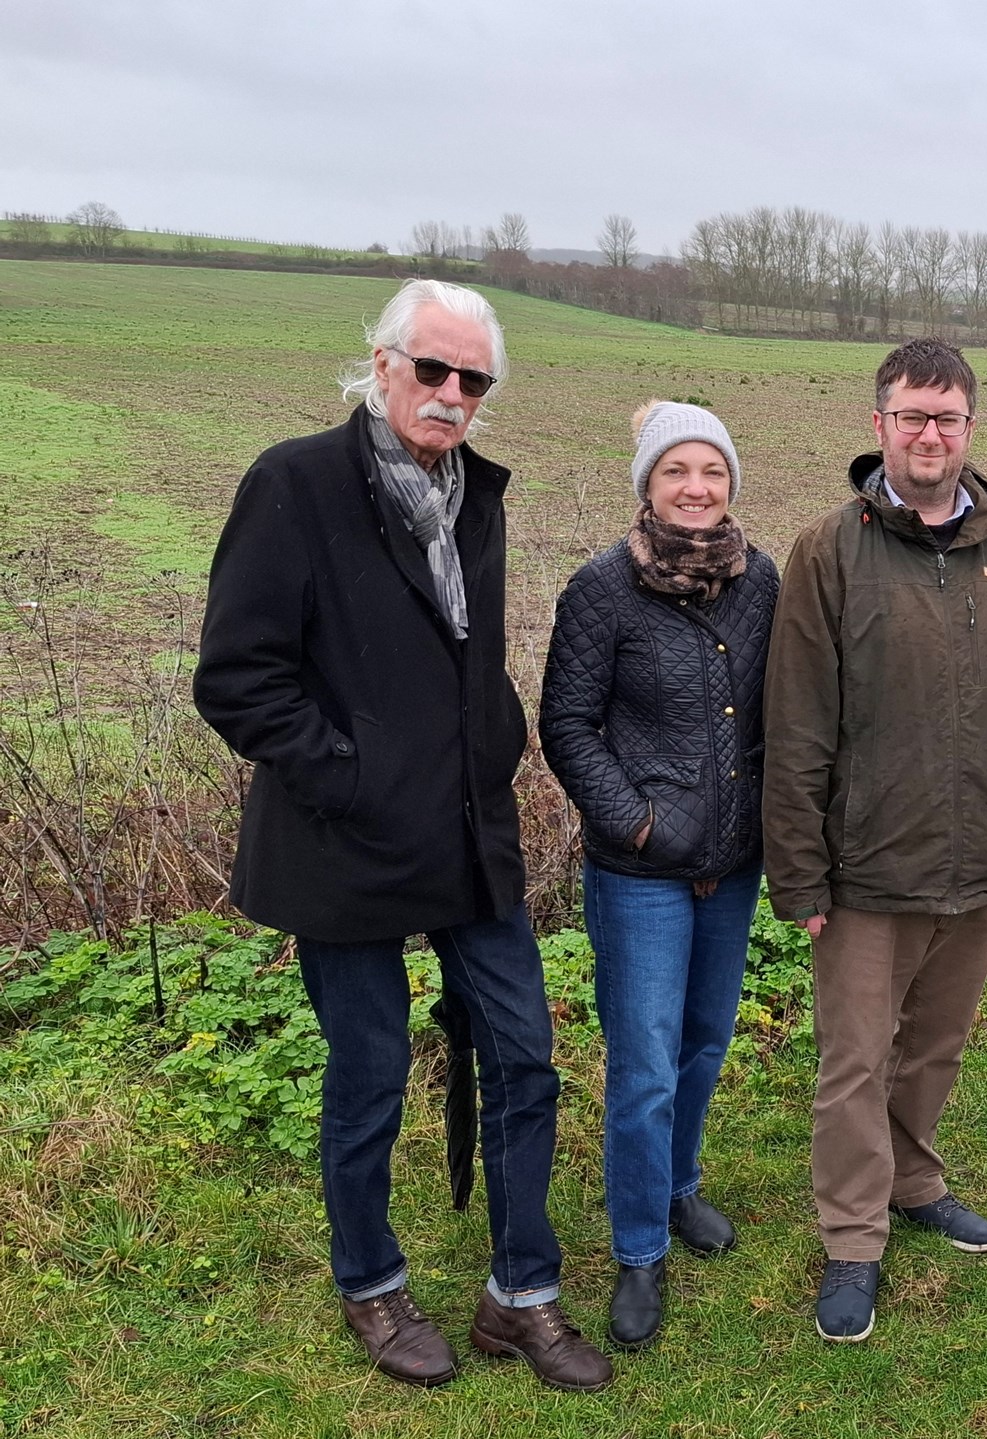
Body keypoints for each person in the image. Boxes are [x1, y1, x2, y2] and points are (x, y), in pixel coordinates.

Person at [193, 279, 611, 1392]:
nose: (452, 393)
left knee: (526, 1052)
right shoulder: (296, 483)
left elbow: (463, 649)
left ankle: (520, 1294)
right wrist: (352, 772)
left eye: (474, 378)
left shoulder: (474, 491)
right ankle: (370, 1282)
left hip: (469, 833)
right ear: (381, 363)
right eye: (432, 368)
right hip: (347, 838)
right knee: (371, 1069)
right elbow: (237, 678)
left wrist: (498, 734)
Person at [761, 337, 987, 1343]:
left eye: (946, 417)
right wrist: (799, 867)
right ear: (880, 425)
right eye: (910, 416)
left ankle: (914, 1178)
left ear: (970, 428)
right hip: (867, 867)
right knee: (854, 1061)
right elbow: (797, 720)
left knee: (933, 1045)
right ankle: (853, 1237)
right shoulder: (829, 549)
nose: (928, 433)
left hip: (981, 859)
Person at [539, 401, 778, 1352]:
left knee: (703, 1043)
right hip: (641, 870)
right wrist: (636, 820)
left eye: (711, 470)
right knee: (641, 1065)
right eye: (676, 469)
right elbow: (565, 725)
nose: (696, 487)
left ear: (730, 484)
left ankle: (678, 1190)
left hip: (734, 861)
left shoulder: (761, 580)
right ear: (647, 483)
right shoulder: (602, 588)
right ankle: (638, 1249)